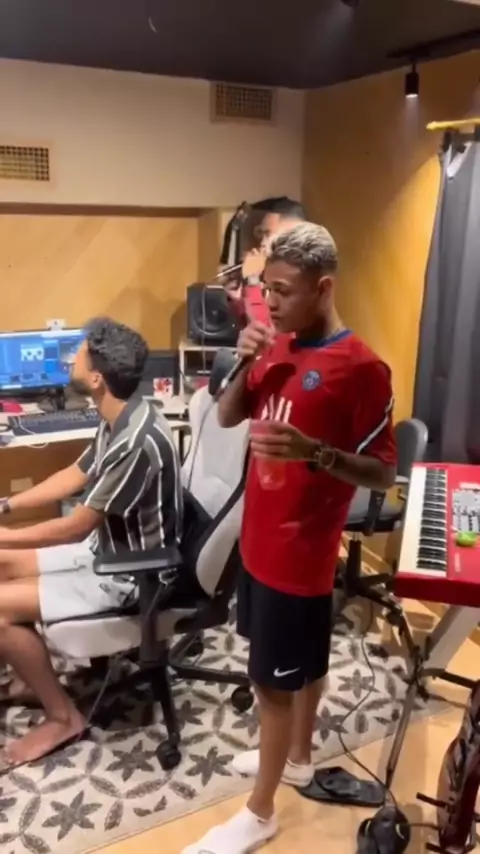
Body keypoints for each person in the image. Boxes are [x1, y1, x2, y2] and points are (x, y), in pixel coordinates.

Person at [183, 223, 397, 854]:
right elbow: (228, 415)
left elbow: (383, 471)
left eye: (283, 291)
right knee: (301, 666)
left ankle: (260, 813)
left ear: (323, 288)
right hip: (259, 540)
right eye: (265, 288)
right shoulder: (276, 344)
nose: (268, 303)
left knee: (272, 687)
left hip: (300, 556)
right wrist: (247, 361)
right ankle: (298, 760)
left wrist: (317, 454)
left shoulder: (362, 369)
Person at [0, 317, 182, 770]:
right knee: (2, 563)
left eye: (76, 355)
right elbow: (75, 475)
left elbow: (76, 526)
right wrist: (6, 506)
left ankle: (64, 718)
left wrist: (7, 534)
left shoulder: (136, 441)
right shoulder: (121, 415)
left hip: (131, 575)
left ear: (97, 378)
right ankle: (29, 674)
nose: (69, 360)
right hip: (107, 550)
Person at [220, 197, 306, 327]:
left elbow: (266, 333)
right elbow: (251, 326)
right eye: (261, 235)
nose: (263, 243)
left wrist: (252, 280)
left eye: (268, 234)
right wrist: (238, 300)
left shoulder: (301, 280)